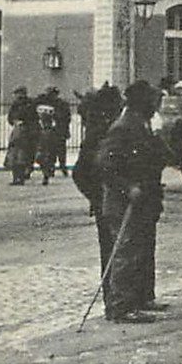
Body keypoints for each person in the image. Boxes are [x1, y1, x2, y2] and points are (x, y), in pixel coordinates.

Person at [97, 79, 170, 322]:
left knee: (137, 253)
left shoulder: (142, 125)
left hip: (142, 203)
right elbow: (105, 165)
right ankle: (120, 307)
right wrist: (127, 187)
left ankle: (136, 300)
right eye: (151, 101)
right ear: (141, 103)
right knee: (125, 253)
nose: (155, 105)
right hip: (122, 205)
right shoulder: (123, 127)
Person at [72, 83, 123, 278]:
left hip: (114, 201)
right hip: (108, 202)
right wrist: (97, 197)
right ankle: (113, 299)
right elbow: (80, 173)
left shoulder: (111, 131)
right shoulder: (99, 134)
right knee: (111, 251)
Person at [3, 86, 37, 185]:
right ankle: (16, 178)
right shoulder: (16, 105)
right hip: (18, 133)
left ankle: (20, 178)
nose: (17, 96)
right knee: (15, 156)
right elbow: (10, 118)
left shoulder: (29, 104)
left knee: (21, 156)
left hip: (26, 132)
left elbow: (33, 118)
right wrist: (14, 122)